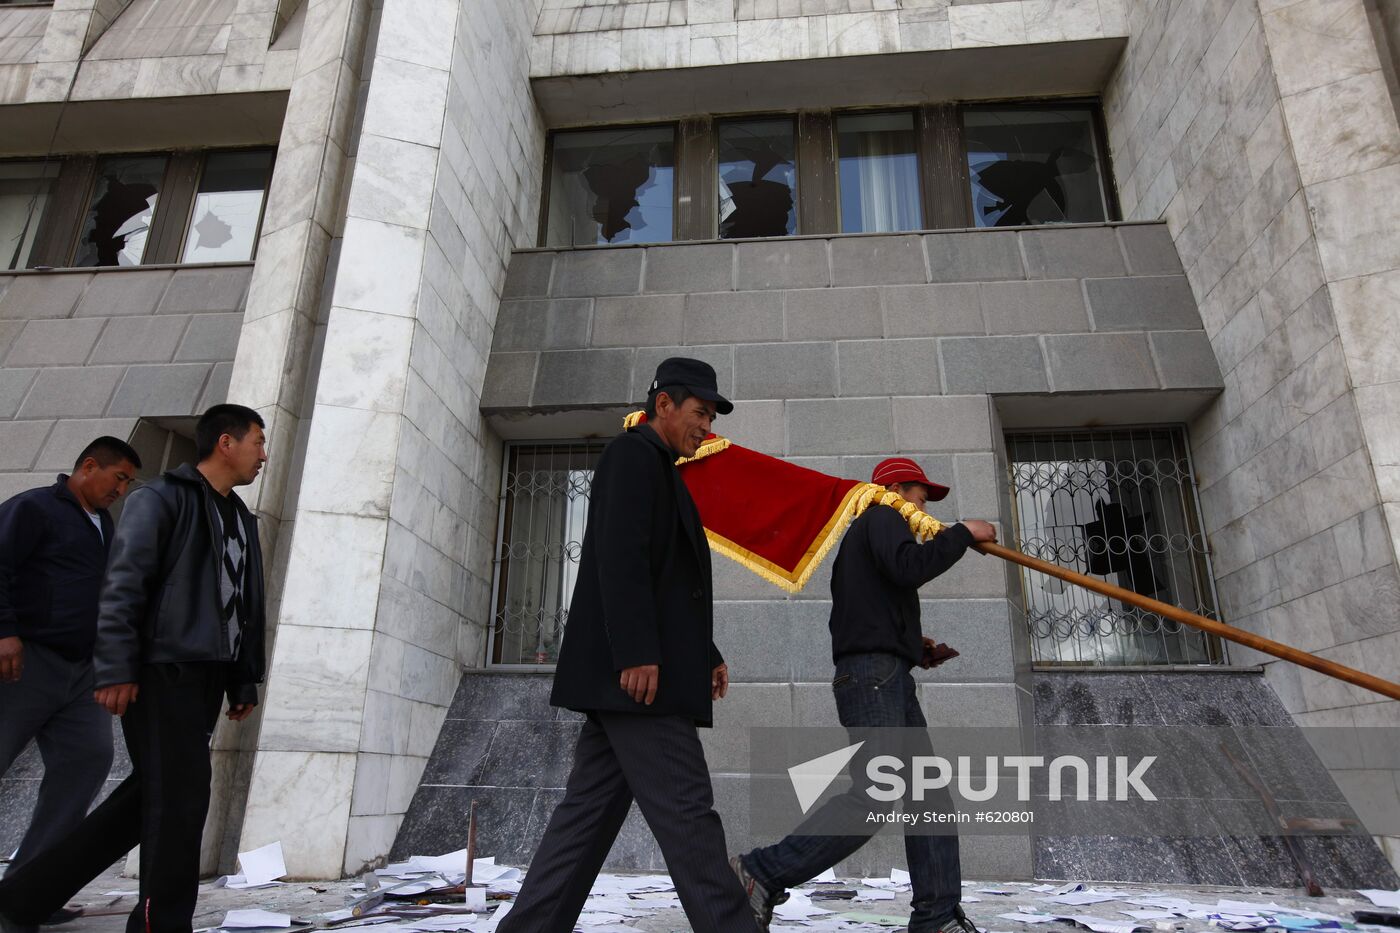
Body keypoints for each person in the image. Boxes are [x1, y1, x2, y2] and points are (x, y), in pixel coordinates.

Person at [498, 358, 759, 933]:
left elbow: (665, 580)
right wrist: (637, 652)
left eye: (711, 416)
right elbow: (620, 561)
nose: (706, 426)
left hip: (645, 674)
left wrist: (705, 652)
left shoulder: (661, 467)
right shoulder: (633, 456)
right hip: (644, 682)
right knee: (691, 822)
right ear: (664, 404)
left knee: (584, 821)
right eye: (699, 412)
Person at [0, 404, 269, 933]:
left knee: (152, 796)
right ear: (226, 443)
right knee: (181, 801)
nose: (263, 454)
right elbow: (124, 587)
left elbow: (242, 605)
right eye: (258, 442)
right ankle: (159, 924)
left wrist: (243, 675)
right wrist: (116, 667)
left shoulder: (239, 517)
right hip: (162, 671)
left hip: (209, 675)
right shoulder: (160, 498)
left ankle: (24, 899)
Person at [731, 457, 998, 933]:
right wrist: (960, 532)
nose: (923, 506)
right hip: (872, 678)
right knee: (877, 793)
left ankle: (937, 917)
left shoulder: (874, 534)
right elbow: (907, 568)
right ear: (895, 488)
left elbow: (872, 609)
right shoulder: (881, 515)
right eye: (920, 494)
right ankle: (761, 872)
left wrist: (916, 648)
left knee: (928, 797)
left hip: (887, 673)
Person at [0, 438, 141, 893]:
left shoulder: (104, 525)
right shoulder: (35, 508)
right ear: (87, 466)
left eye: (129, 483)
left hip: (83, 671)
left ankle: (29, 890)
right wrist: (4, 632)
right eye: (118, 477)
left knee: (89, 758)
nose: (121, 489)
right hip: (28, 661)